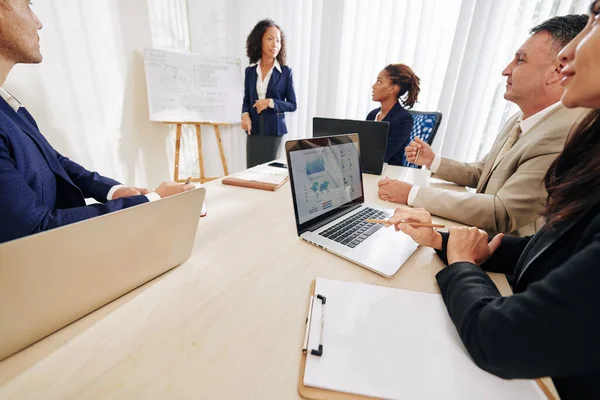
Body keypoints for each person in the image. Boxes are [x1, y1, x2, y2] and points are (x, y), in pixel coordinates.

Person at [388, 3, 600, 397]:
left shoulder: (566, 132)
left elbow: (502, 338)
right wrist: (445, 239)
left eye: (596, 21)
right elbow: (556, 254)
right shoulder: (544, 129)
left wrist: (462, 260)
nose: (571, 52)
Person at [0, 0, 194, 244]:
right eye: (28, 5)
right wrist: (150, 201)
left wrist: (112, 191)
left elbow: (55, 161)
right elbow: (34, 229)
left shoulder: (9, 105)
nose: (39, 23)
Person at [378, 15, 589, 236]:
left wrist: (412, 194)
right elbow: (482, 172)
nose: (506, 70)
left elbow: (502, 212)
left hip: (503, 260)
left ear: (557, 71)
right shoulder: (522, 118)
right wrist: (433, 160)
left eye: (520, 60)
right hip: (476, 237)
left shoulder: (565, 133)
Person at [241, 19, 297, 168]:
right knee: (251, 171)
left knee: (269, 172)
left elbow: (292, 105)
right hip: (254, 129)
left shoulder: (285, 72)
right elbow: (246, 100)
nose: (275, 45)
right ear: (260, 40)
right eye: (270, 39)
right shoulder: (250, 71)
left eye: (278, 41)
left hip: (274, 131)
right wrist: (245, 115)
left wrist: (270, 102)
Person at [367, 63, 420, 166]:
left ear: (392, 89)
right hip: (369, 170)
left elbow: (383, 156)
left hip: (389, 174)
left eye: (379, 82)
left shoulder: (404, 119)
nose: (373, 86)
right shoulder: (372, 115)